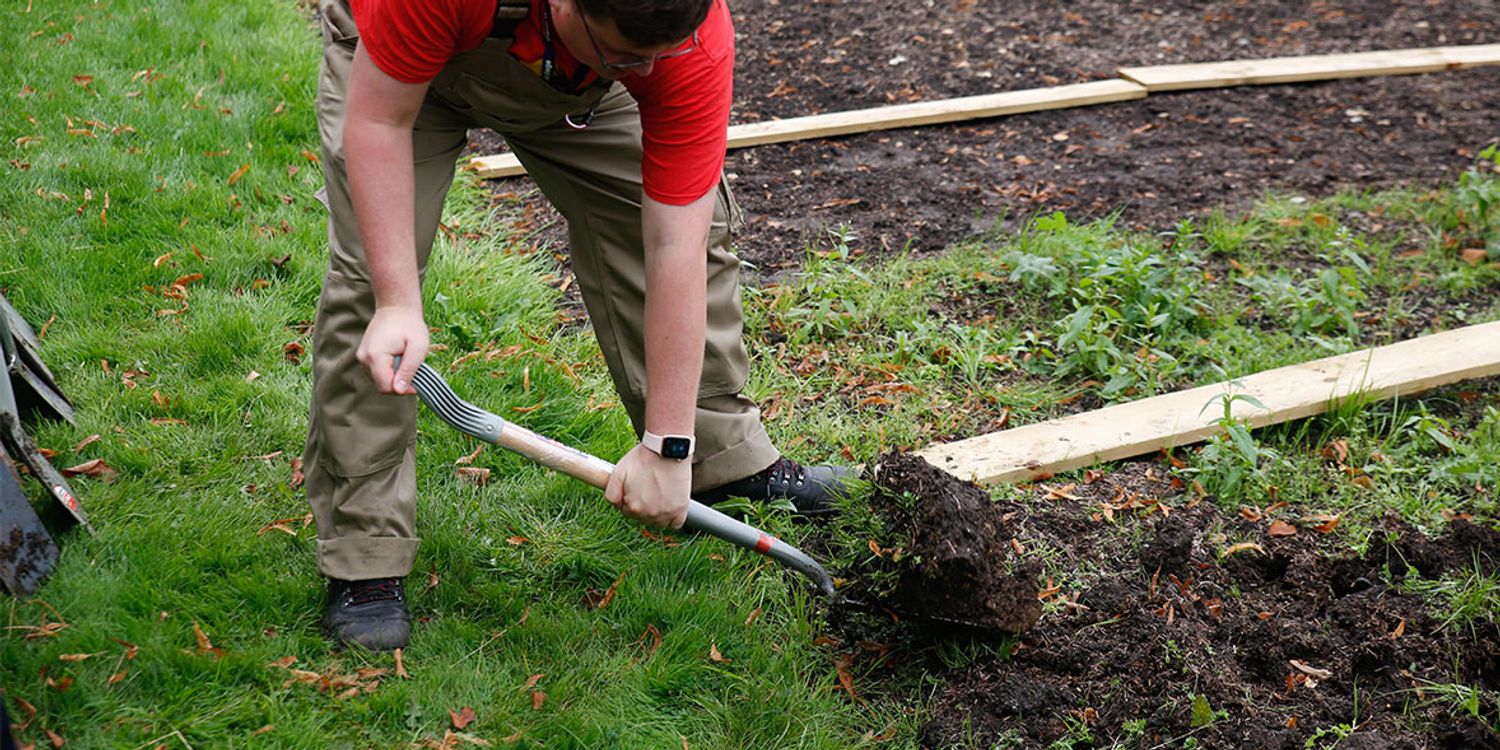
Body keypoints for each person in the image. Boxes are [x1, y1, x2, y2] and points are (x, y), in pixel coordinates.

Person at [305, 0, 851, 651]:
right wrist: (398, 302)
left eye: (656, 57)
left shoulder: (685, 42)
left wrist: (670, 445)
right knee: (372, 291)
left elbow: (674, 244)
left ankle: (717, 460)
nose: (645, 71)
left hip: (571, 83)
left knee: (689, 243)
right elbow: (379, 120)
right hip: (399, 71)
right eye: (627, 57)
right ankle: (365, 554)